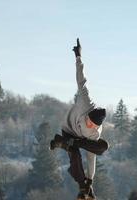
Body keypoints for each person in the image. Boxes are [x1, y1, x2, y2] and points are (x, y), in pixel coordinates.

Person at [49, 38, 109, 200]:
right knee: (74, 153)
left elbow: (92, 157)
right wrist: (78, 57)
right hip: (68, 129)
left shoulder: (94, 133)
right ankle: (65, 143)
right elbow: (81, 80)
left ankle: (85, 188)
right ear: (89, 114)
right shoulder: (86, 102)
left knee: (102, 146)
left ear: (96, 127)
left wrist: (90, 179)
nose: (89, 124)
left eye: (92, 125)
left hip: (80, 139)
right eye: (89, 120)